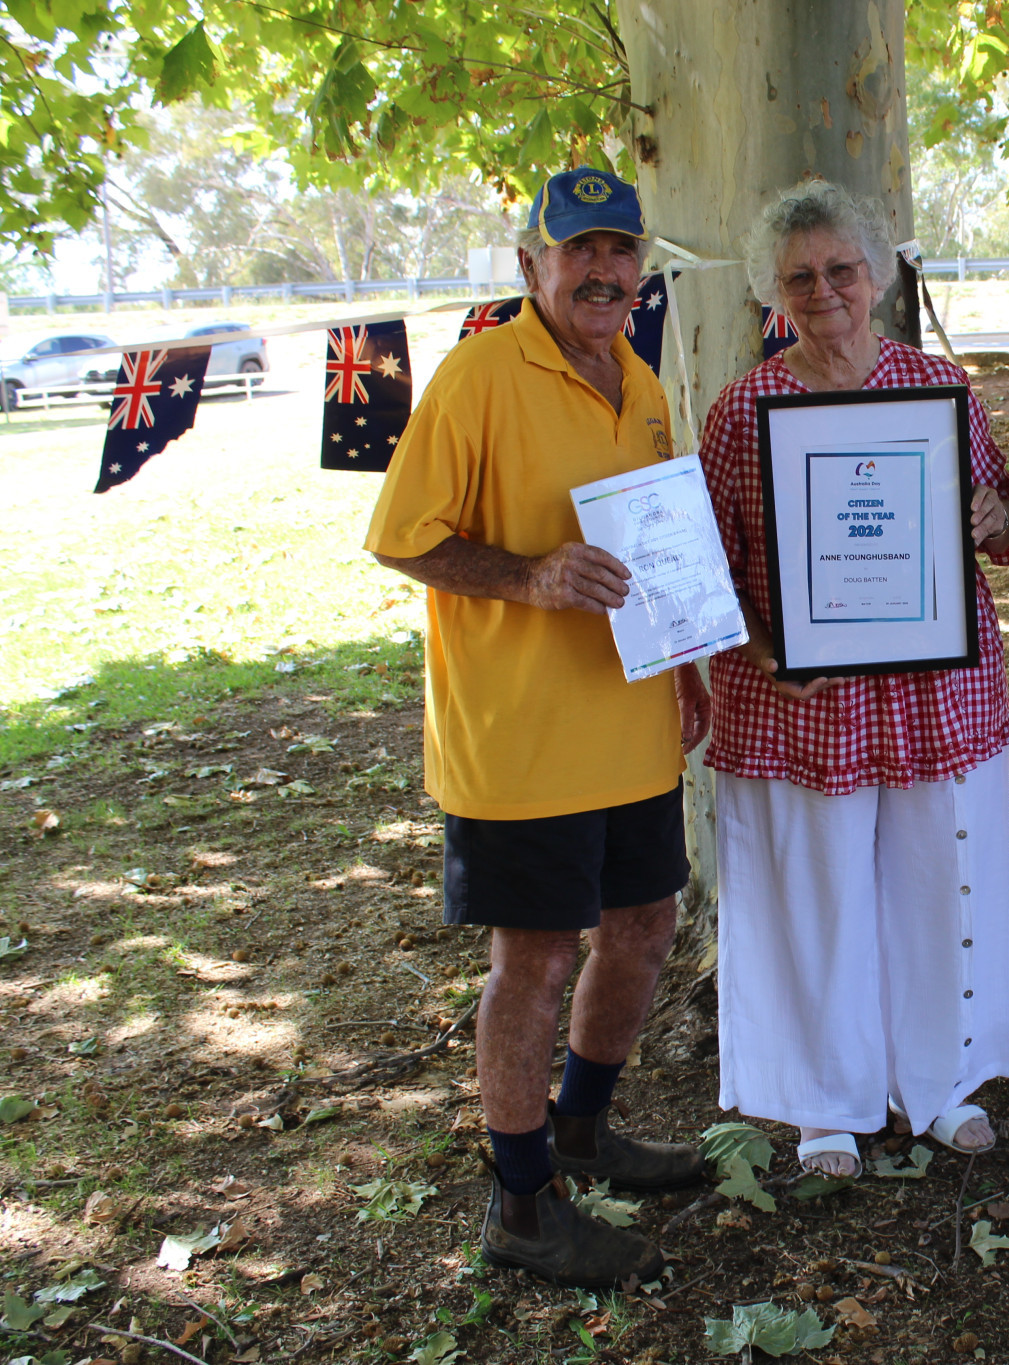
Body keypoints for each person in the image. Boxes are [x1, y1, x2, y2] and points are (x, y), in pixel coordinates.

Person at [366, 167, 710, 1286]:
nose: (604, 272)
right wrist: (527, 577)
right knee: (535, 959)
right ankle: (520, 1204)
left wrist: (687, 662)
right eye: (580, 252)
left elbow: (658, 542)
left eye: (621, 252)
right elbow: (404, 539)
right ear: (531, 266)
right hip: (517, 739)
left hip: (628, 720)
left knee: (647, 925)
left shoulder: (639, 379)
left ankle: (583, 1126)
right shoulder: (477, 377)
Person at [698, 178, 1009, 1178]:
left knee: (944, 887)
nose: (824, 289)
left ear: (877, 271)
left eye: (841, 268)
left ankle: (940, 1085)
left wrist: (990, 516)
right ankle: (823, 1105)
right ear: (773, 291)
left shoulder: (939, 388)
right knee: (818, 895)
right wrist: (764, 649)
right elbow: (704, 567)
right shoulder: (742, 406)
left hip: (938, 697)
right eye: (799, 276)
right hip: (801, 704)